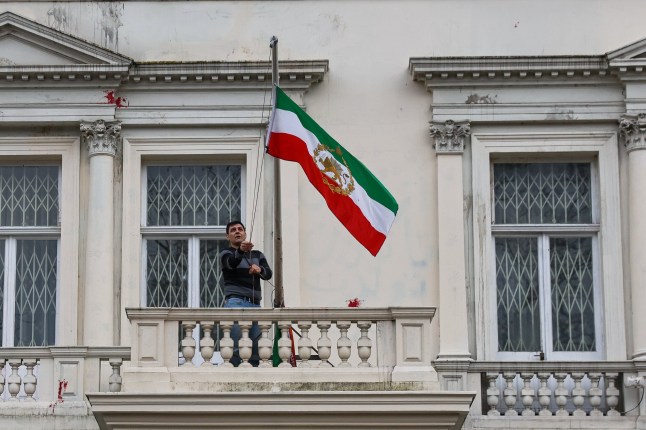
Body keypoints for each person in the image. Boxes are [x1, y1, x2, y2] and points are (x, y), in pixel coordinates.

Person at [220, 220, 272, 366]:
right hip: (236, 303)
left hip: (255, 305)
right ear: (228, 237)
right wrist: (241, 251)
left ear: (245, 233)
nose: (237, 231)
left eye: (240, 229)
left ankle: (253, 378)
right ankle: (233, 377)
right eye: (233, 230)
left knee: (256, 349)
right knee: (237, 347)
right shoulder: (226, 253)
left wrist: (260, 270)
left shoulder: (257, 255)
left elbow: (268, 274)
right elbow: (230, 264)